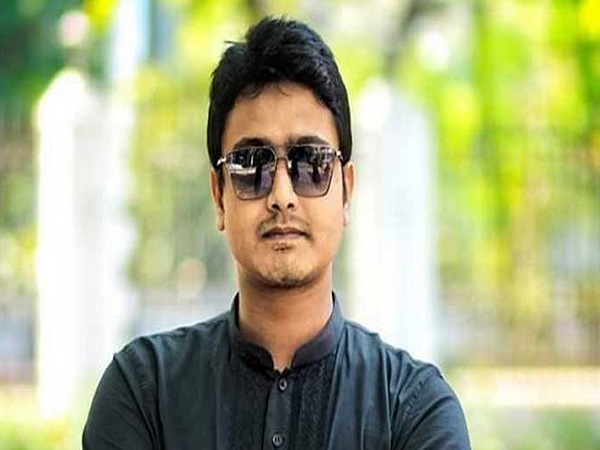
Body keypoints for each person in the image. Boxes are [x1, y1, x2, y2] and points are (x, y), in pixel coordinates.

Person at [82, 16, 471, 450]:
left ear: (346, 190)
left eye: (311, 162)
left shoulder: (413, 409)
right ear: (219, 195)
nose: (282, 196)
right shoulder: (145, 392)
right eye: (251, 164)